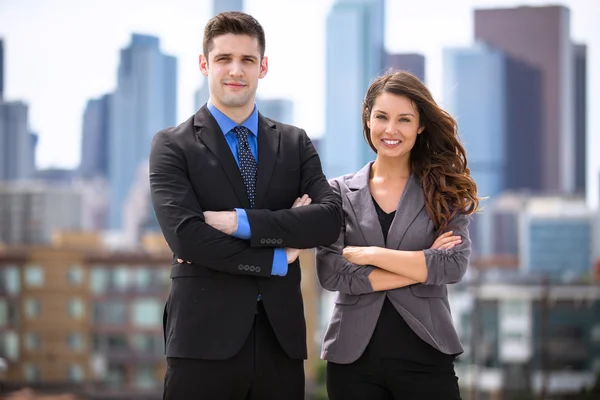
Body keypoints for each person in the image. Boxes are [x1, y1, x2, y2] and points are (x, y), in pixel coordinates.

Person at [149, 11, 341, 400]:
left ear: (263, 67)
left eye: (247, 60)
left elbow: (328, 220)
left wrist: (239, 222)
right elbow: (187, 239)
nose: (235, 70)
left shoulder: (294, 142)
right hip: (202, 342)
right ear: (205, 64)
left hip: (279, 342)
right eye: (224, 59)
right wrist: (278, 255)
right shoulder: (172, 145)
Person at [316, 70, 480, 400]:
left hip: (427, 353)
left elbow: (452, 266)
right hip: (352, 361)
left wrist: (370, 255)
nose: (391, 130)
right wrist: (421, 266)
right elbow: (332, 273)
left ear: (420, 125)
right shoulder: (338, 192)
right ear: (367, 120)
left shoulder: (443, 191)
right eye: (382, 117)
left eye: (404, 119)